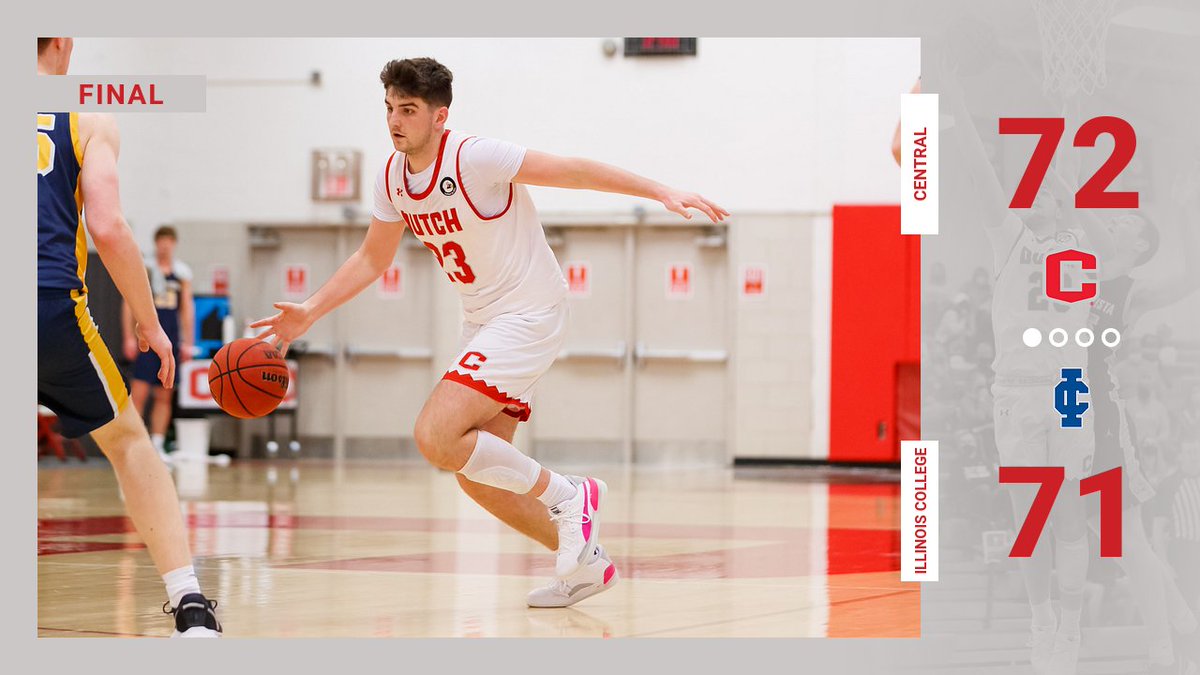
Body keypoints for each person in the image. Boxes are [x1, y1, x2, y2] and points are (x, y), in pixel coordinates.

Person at [253, 57, 727, 608]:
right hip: (481, 321)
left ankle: (574, 495)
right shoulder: (390, 177)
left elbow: (572, 170)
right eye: (388, 109)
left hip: (529, 311)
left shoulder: (474, 156)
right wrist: (309, 310)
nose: (395, 121)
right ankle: (583, 564)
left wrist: (662, 191)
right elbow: (371, 258)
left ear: (439, 116)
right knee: (477, 471)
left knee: (435, 436)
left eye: (407, 110)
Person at [37, 37, 221, 637]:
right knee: (128, 442)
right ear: (63, 43)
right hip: (48, 304)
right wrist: (150, 323)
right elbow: (109, 227)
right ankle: (189, 604)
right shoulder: (86, 114)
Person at [945, 73, 1094, 674]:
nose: (1026, 194)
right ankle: (1042, 624)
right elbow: (984, 177)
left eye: (1041, 190)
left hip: (1066, 391)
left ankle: (1073, 628)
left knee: (1070, 517)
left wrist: (1053, 130)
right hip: (1015, 393)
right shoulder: (1007, 239)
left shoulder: (1078, 242)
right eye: (1023, 190)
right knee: (1028, 520)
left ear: (1058, 200)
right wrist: (954, 109)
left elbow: (1066, 189)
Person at [123, 225, 194, 461]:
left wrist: (188, 341)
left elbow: (187, 309)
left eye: (169, 241)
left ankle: (158, 444)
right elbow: (129, 303)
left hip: (171, 337)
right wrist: (128, 337)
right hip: (146, 335)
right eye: (161, 241)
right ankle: (133, 443)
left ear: (174, 244)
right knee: (139, 393)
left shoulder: (182, 273)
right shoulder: (147, 268)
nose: (165, 245)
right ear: (156, 243)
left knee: (165, 394)